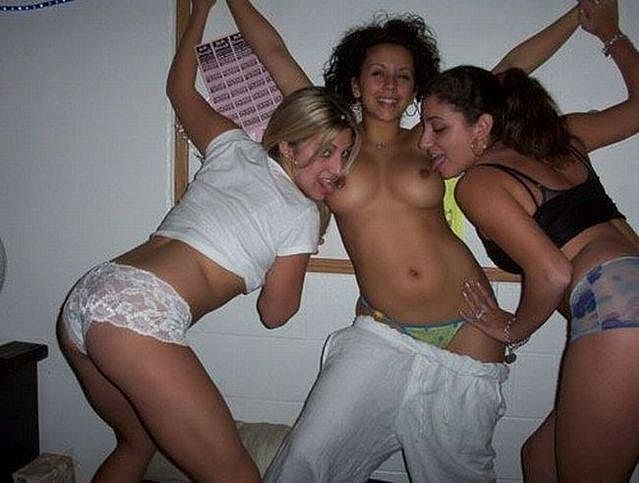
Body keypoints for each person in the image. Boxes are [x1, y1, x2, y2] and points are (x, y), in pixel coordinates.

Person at [224, 1, 581, 481]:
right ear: (356, 83)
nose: (390, 85)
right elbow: (274, 53)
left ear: (416, 88)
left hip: (469, 328)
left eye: (403, 76)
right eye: (377, 73)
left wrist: (579, 15)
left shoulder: (426, 142)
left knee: (456, 474)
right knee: (307, 458)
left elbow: (507, 72)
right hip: (383, 329)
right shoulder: (335, 145)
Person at [55, 0, 360, 481]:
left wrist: (199, 11)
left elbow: (180, 90)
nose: (337, 169)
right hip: (137, 315)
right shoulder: (302, 215)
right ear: (287, 145)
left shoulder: (233, 146)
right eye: (325, 152)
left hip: (91, 293)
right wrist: (298, 250)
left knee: (137, 444)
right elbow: (275, 314)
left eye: (343, 155)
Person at [419, 1, 639, 480]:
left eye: (437, 128)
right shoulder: (561, 139)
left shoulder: (479, 183)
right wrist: (608, 33)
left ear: (482, 126)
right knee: (539, 458)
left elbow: (553, 273)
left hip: (619, 310)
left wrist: (512, 329)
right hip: (624, 301)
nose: (424, 142)